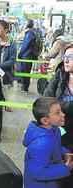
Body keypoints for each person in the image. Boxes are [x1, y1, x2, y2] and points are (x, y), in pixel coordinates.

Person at [23, 97, 73, 188]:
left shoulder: (54, 129)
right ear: (45, 121)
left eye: (61, 111)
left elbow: (55, 146)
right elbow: (39, 172)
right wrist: (65, 168)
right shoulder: (41, 144)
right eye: (57, 113)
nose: (63, 114)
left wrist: (64, 153)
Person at [44, 43, 73, 187]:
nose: (66, 60)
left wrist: (59, 106)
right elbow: (45, 102)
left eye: (70, 57)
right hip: (58, 137)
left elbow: (53, 105)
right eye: (65, 56)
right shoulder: (60, 76)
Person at [17, 19, 36, 93]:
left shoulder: (30, 34)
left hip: (26, 56)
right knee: (26, 72)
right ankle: (24, 87)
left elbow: (25, 45)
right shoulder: (32, 32)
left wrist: (20, 53)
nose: (24, 24)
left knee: (25, 72)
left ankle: (25, 88)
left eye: (26, 23)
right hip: (28, 55)